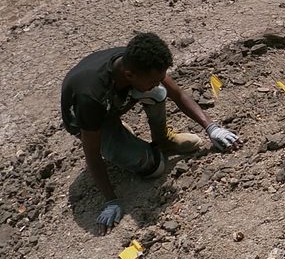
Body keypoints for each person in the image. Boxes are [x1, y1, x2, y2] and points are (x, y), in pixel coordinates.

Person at [61, 32, 241, 234]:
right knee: (154, 167)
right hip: (93, 122)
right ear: (130, 75)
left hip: (113, 101)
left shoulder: (136, 61)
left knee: (158, 93)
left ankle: (162, 140)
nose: (158, 81)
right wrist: (111, 200)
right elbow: (91, 155)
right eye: (154, 79)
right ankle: (115, 138)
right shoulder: (91, 97)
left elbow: (177, 94)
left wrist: (211, 127)